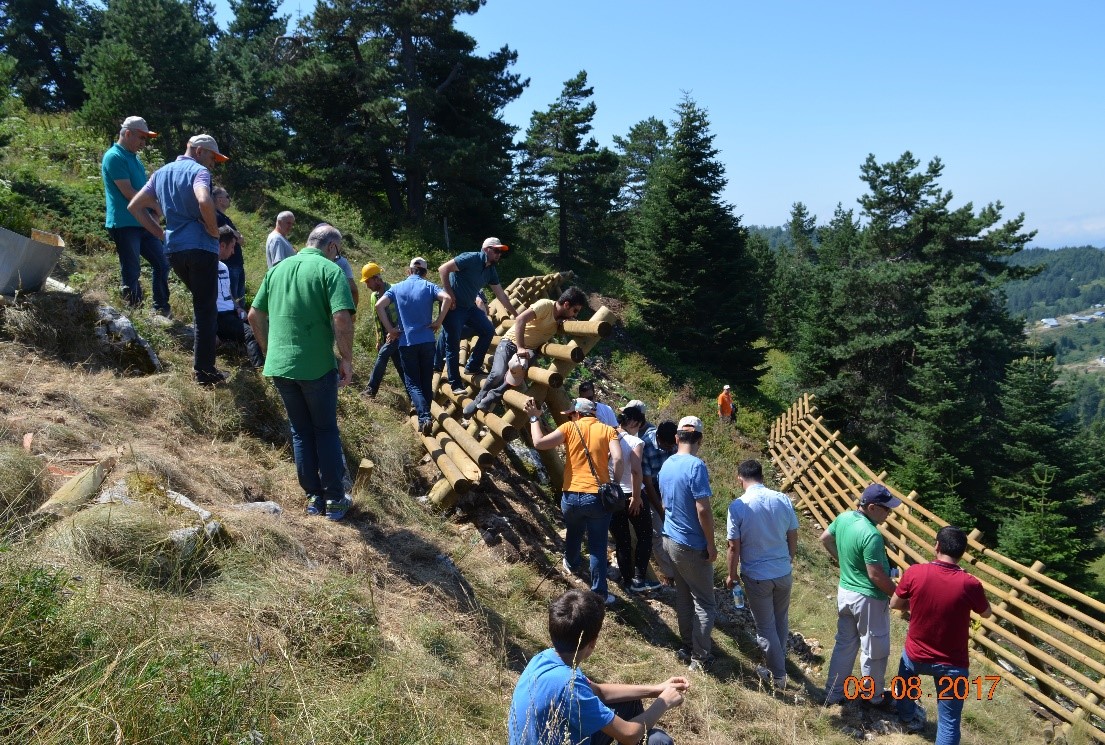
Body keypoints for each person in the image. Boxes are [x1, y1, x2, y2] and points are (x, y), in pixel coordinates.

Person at [247, 224, 356, 520]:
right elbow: (341, 318)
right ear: (332, 247)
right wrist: (346, 360)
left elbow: (254, 315)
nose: (338, 257)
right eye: (339, 252)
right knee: (325, 429)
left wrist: (269, 350)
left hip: (281, 365)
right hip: (316, 365)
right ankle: (334, 500)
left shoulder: (277, 270)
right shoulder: (330, 271)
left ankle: (313, 499)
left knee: (300, 431)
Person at [508, 589, 689, 745]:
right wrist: (664, 702)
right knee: (659, 741)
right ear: (592, 643)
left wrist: (656, 689)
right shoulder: (568, 687)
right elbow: (629, 734)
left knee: (629, 702)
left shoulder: (545, 658)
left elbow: (600, 692)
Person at [128, 133, 229, 386]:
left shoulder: (160, 173)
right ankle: (204, 373)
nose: (213, 163)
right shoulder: (199, 172)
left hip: (174, 250)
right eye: (212, 157)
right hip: (201, 248)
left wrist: (160, 234)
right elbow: (204, 199)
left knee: (201, 303)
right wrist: (214, 231)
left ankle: (203, 362)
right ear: (198, 151)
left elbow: (135, 206)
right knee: (206, 309)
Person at [891, 527, 992, 743]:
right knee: (949, 721)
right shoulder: (970, 583)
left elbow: (895, 604)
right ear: (962, 553)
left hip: (916, 655)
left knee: (906, 681)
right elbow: (986, 612)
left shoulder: (916, 572)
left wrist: (918, 604)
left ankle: (907, 716)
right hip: (953, 664)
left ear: (936, 546)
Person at [525, 396, 623, 605]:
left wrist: (534, 419)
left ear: (577, 414)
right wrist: (614, 482)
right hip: (597, 497)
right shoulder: (608, 430)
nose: (570, 417)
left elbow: (539, 443)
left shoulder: (570, 428)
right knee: (598, 545)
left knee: (574, 531)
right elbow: (618, 458)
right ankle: (599, 595)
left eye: (571, 414)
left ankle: (571, 563)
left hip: (570, 494)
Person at [820, 483, 901, 707]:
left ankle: (833, 693)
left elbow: (825, 538)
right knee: (874, 649)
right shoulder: (872, 535)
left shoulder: (844, 518)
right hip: (868, 599)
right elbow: (876, 576)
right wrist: (898, 596)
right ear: (873, 507)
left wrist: (844, 563)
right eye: (887, 509)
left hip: (846, 591)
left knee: (844, 645)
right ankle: (872, 696)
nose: (889, 514)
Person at [726, 459, 799, 690]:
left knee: (765, 627)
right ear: (762, 476)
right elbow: (793, 533)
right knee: (780, 621)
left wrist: (731, 575)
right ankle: (775, 665)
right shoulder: (782, 499)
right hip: (783, 572)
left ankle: (778, 677)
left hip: (757, 575)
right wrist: (789, 558)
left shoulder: (738, 506)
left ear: (740, 478)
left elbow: (733, 547)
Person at [462, 287, 587, 418]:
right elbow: (521, 319)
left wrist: (568, 320)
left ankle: (490, 398)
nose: (575, 315)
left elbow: (574, 323)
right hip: (510, 342)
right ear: (566, 304)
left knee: (515, 375)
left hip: (529, 350)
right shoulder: (545, 305)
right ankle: (477, 401)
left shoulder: (562, 318)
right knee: (497, 373)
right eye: (575, 311)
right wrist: (520, 347)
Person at [659, 415, 717, 671]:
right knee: (704, 601)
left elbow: (663, 502)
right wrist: (711, 544)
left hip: (669, 538)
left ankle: (687, 646)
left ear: (676, 437)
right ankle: (700, 657)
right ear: (699, 439)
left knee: (683, 596)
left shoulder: (667, 463)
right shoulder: (696, 466)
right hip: (692, 543)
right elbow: (702, 509)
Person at [101, 115, 171, 316]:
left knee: (162, 262)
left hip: (142, 223)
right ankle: (133, 312)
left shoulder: (134, 158)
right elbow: (129, 192)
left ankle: (160, 309)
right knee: (132, 269)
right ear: (128, 133)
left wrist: (153, 209)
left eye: (145, 139)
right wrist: (156, 207)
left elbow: (143, 191)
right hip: (124, 223)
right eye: (141, 138)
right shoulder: (114, 156)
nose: (143, 143)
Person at [376, 257, 452, 436]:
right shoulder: (429, 286)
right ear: (425, 272)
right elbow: (447, 298)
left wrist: (390, 329)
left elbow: (379, 306)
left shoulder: (396, 288)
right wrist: (438, 322)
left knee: (412, 383)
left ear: (409, 270)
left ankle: (424, 417)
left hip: (406, 341)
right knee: (426, 381)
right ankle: (428, 418)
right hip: (427, 340)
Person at [438, 237, 519, 395]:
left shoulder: (490, 270)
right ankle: (455, 384)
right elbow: (443, 269)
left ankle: (472, 366)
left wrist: (516, 314)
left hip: (469, 307)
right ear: (486, 249)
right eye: (496, 251)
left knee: (488, 330)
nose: (499, 254)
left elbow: (501, 295)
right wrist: (448, 293)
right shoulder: (470, 258)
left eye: (500, 252)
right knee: (452, 344)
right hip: (454, 307)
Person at [608, 405, 662, 594]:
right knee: (645, 535)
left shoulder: (609, 435)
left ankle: (627, 580)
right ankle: (639, 578)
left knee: (622, 541)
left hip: (612, 494)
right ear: (633, 423)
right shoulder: (634, 441)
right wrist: (637, 497)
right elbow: (636, 470)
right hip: (632, 494)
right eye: (638, 425)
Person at [215, 227, 264, 368]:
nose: (233, 251)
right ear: (222, 245)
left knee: (263, 323)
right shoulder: (207, 266)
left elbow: (228, 293)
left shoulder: (223, 266)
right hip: (219, 317)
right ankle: (261, 369)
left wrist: (238, 308)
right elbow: (201, 300)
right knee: (251, 334)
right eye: (232, 247)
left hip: (232, 313)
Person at [642, 420, 678, 587]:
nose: (671, 449)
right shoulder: (646, 447)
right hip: (652, 493)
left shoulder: (675, 443)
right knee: (658, 534)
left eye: (673, 445)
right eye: (667, 446)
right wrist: (661, 511)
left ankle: (682, 568)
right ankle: (670, 575)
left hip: (672, 491)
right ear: (659, 439)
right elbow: (648, 484)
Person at [362, 261, 403, 398]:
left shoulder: (394, 290)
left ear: (376, 279)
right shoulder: (374, 296)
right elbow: (377, 320)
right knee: (400, 366)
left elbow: (404, 313)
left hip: (399, 333)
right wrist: (379, 339)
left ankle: (371, 390)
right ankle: (413, 396)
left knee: (383, 355)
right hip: (388, 336)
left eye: (368, 282)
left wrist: (395, 330)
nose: (367, 286)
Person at [212, 186, 244, 304]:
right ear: (220, 200)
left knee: (239, 300)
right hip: (229, 264)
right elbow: (238, 237)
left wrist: (237, 235)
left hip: (236, 264)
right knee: (233, 301)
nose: (229, 199)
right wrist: (237, 235)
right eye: (227, 196)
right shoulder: (217, 217)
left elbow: (241, 239)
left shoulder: (225, 218)